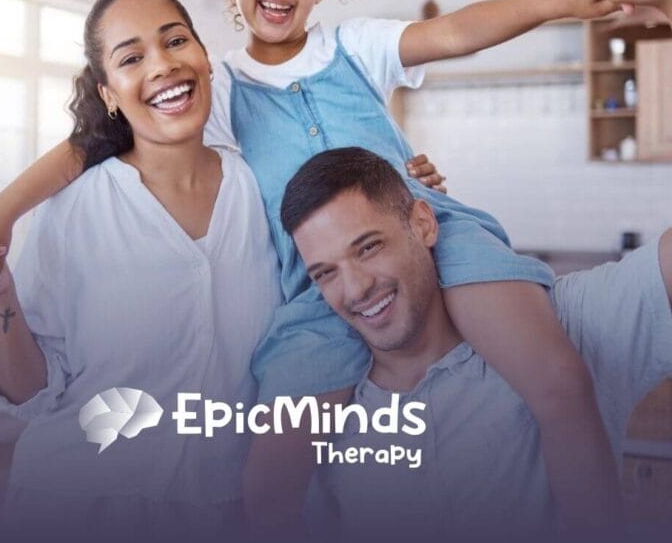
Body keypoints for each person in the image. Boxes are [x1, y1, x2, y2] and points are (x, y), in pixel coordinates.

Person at [0, 0, 665, 533]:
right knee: (274, 472)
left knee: (559, 381)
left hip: (435, 229)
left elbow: (456, 31)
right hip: (313, 290)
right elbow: (90, 143)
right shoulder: (214, 92)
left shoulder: (355, 48)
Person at [0, 0, 283, 541]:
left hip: (227, 505)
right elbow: (28, 392)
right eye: (132, 58)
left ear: (205, 59)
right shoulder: (72, 210)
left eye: (175, 41)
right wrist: (3, 297)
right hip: (78, 503)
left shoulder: (261, 190)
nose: (162, 65)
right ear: (110, 93)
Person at [280, 146, 672, 541]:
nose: (355, 289)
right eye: (326, 273)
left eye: (368, 247)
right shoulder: (322, 417)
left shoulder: (560, 326)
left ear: (423, 224)